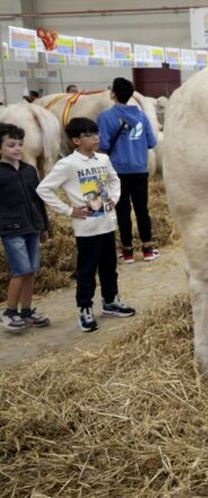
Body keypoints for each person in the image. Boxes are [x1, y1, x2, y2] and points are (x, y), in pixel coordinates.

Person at [36, 117, 136, 332]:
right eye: (88, 135)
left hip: (107, 224)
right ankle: (85, 309)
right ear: (76, 141)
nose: (95, 138)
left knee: (109, 267)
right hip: (86, 229)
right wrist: (68, 210)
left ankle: (110, 301)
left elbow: (114, 180)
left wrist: (114, 198)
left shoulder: (103, 159)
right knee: (87, 270)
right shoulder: (68, 164)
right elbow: (43, 189)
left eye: (96, 134)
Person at [96, 77, 158, 264]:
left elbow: (103, 145)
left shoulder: (105, 117)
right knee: (142, 209)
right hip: (140, 169)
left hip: (117, 171)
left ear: (113, 94)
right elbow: (152, 142)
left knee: (122, 210)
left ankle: (128, 252)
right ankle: (147, 249)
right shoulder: (141, 117)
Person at [0, 123, 50, 330]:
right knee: (20, 271)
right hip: (11, 231)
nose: (18, 148)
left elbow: (38, 200)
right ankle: (10, 312)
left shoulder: (30, 170)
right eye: (11, 145)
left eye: (20, 144)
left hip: (33, 228)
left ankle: (27, 310)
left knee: (31, 271)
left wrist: (44, 226)